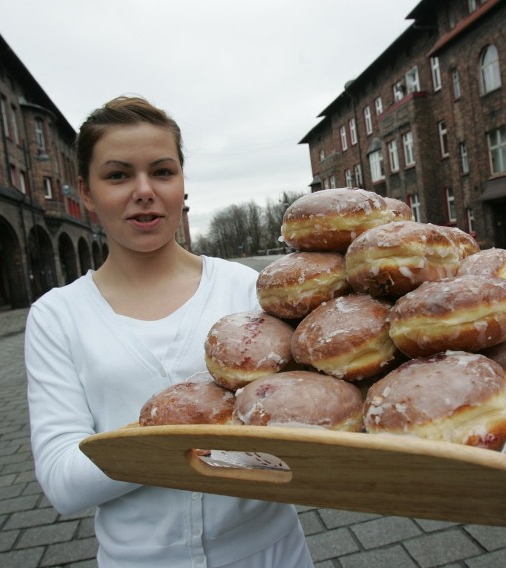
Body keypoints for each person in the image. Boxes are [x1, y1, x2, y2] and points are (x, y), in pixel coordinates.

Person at [24, 95, 313, 567]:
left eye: (161, 171)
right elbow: (63, 482)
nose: (144, 190)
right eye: (118, 175)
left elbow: (306, 435)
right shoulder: (57, 317)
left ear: (182, 183)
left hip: (269, 550)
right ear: (85, 191)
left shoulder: (246, 291)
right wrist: (191, 424)